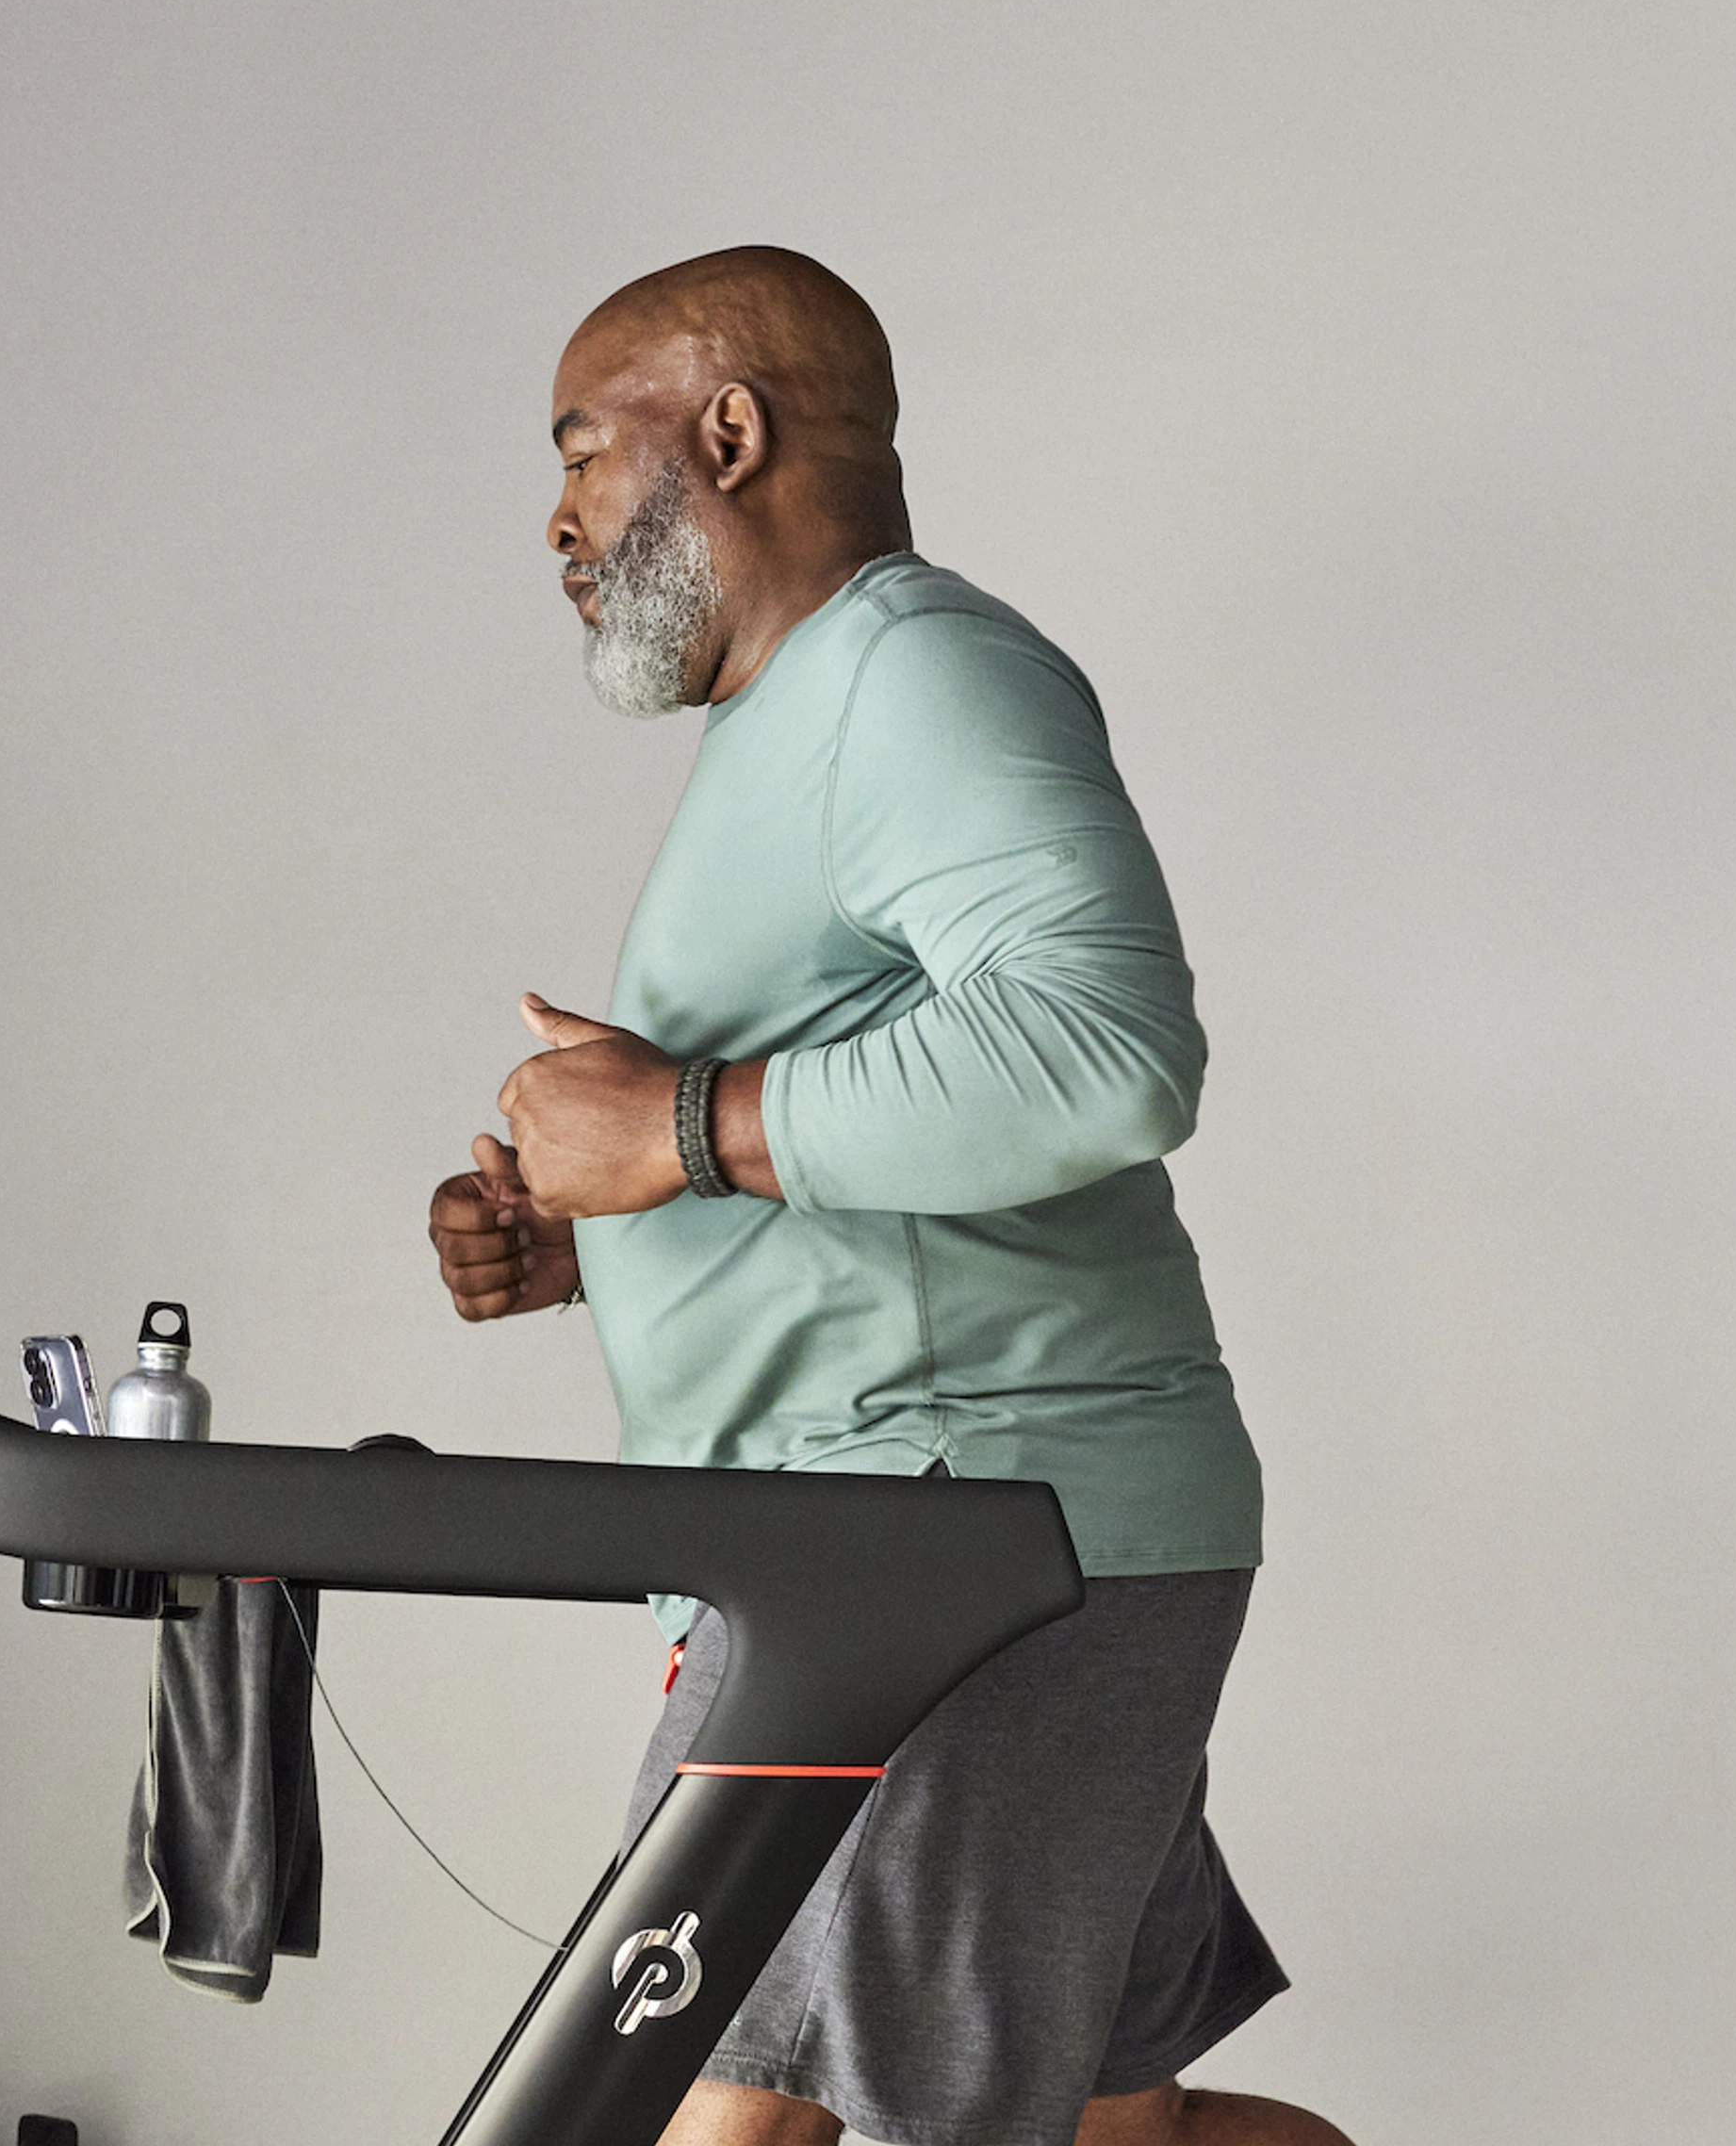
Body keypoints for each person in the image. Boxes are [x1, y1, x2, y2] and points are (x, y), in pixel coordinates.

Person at [425, 248, 1351, 2146]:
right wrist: (596, 1234)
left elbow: (1105, 1048)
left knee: (698, 2113)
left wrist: (677, 1124)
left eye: (587, 451)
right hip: (978, 1527)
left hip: (941, 1542)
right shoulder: (791, 719)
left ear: (732, 430)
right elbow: (898, 1143)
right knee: (1118, 2129)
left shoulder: (912, 670)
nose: (561, 515)